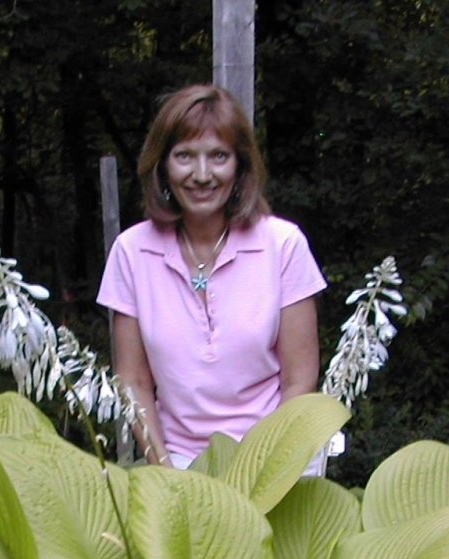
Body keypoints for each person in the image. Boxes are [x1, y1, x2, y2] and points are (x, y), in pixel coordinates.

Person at [97, 83, 327, 470]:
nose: (202, 175)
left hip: (276, 457)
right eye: (185, 156)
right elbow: (133, 380)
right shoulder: (132, 252)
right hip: (177, 460)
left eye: (218, 156)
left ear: (240, 166)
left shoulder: (282, 244)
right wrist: (167, 473)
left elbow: (299, 379)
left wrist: (259, 472)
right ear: (162, 165)